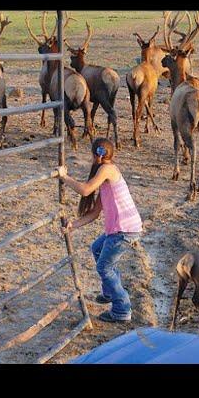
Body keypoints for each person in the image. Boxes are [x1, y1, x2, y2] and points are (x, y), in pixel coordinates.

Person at [57, 137, 142, 323]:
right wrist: (74, 225)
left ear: (96, 155)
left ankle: (122, 310)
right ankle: (110, 292)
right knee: (97, 248)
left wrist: (64, 177)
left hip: (124, 230)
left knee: (104, 267)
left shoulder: (108, 169)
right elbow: (95, 212)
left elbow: (85, 190)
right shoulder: (105, 178)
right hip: (120, 229)